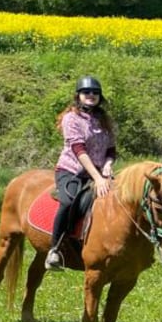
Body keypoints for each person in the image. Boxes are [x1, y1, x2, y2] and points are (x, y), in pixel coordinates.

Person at [46, 75, 117, 271]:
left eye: (95, 92)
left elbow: (111, 150)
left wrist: (108, 165)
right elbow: (79, 151)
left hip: (99, 173)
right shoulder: (71, 119)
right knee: (69, 201)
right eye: (86, 92)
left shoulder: (104, 120)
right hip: (72, 171)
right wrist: (97, 178)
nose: (91, 95)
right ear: (78, 96)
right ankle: (55, 248)